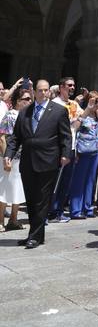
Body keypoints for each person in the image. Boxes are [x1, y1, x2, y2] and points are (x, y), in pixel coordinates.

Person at [4, 79, 72, 248]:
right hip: (28, 162)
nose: (42, 93)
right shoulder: (25, 111)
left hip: (48, 161)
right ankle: (36, 236)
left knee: (42, 200)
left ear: (49, 91)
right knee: (32, 199)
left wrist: (65, 154)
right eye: (40, 90)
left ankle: (34, 236)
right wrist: (9, 154)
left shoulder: (58, 111)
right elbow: (15, 137)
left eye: (45, 90)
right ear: (34, 91)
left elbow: (66, 135)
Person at [69, 92, 98, 219]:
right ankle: (75, 210)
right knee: (79, 181)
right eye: (95, 102)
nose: (97, 105)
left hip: (94, 152)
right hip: (82, 152)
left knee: (90, 182)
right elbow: (74, 127)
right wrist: (88, 109)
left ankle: (87, 208)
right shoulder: (83, 114)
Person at [0, 86, 32, 232]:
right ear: (18, 101)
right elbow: (2, 137)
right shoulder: (10, 115)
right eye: (26, 99)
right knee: (4, 190)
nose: (29, 101)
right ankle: (0, 221)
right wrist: (7, 157)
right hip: (9, 159)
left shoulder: (27, 116)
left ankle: (13, 219)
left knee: (17, 190)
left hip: (23, 159)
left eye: (30, 99)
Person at [49, 75, 81, 222]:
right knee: (55, 181)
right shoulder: (54, 104)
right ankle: (50, 212)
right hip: (59, 147)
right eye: (69, 85)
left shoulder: (74, 105)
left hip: (72, 146)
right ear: (61, 87)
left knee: (66, 182)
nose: (72, 88)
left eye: (73, 85)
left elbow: (77, 125)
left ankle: (59, 211)